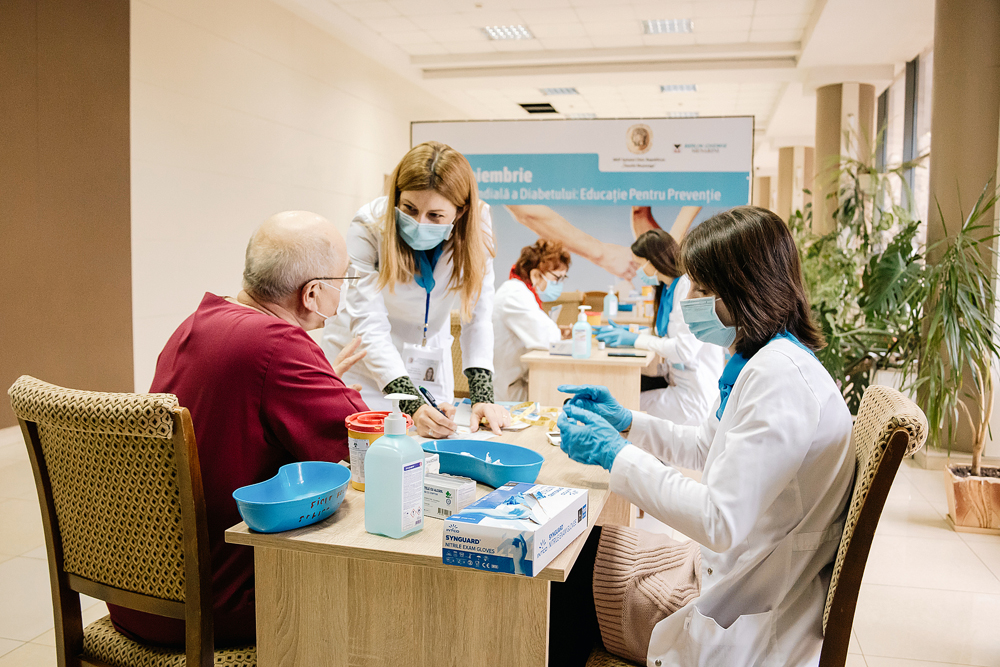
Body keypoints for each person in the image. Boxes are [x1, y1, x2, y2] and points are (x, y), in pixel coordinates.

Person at [552, 206, 854, 667]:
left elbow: (718, 521)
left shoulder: (779, 380)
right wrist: (627, 422)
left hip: (737, 612)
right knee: (579, 546)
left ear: (746, 288)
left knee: (560, 578)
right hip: (726, 571)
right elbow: (702, 447)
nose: (687, 298)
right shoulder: (767, 361)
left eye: (702, 289)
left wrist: (615, 456)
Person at [109, 211, 370, 647]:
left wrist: (319, 382)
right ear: (312, 293)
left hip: (139, 595)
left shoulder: (196, 323)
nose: (342, 294)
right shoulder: (279, 344)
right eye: (342, 281)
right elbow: (367, 445)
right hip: (217, 607)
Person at [322, 141, 510, 438]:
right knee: (369, 448)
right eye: (409, 208)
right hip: (366, 365)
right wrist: (413, 405)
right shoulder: (369, 225)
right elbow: (369, 325)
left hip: (427, 360)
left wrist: (482, 397)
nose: (419, 223)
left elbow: (478, 316)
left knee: (437, 444)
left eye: (435, 216)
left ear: (460, 212)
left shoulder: (477, 224)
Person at [595, 230, 724, 425]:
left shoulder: (685, 286)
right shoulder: (667, 288)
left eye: (639, 264)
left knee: (623, 405)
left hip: (694, 398)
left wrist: (636, 339)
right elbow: (667, 333)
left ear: (653, 261)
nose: (638, 271)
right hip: (678, 385)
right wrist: (631, 332)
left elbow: (683, 350)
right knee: (623, 399)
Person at [493, 239, 572, 401]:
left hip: (516, 382)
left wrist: (558, 332)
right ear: (535, 274)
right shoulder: (514, 295)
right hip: (508, 392)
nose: (559, 284)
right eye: (557, 278)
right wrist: (558, 334)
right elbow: (547, 338)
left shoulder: (521, 292)